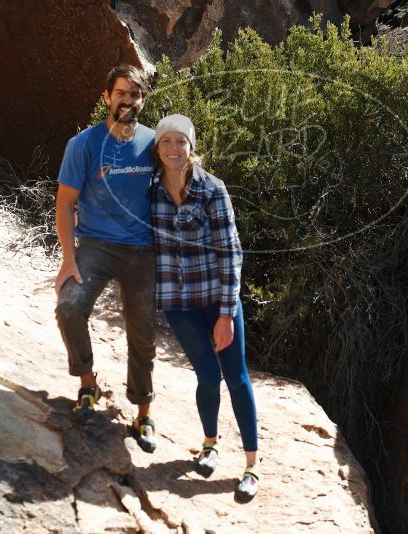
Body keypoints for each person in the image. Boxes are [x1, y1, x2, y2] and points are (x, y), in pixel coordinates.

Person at [151, 114, 260, 502]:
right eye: (167, 142)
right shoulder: (151, 192)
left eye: (181, 142)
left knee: (236, 376)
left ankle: (251, 467)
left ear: (191, 147)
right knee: (206, 376)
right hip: (179, 303)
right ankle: (210, 445)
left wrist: (227, 313)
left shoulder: (213, 189)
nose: (174, 149)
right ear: (158, 148)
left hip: (217, 299)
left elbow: (232, 252)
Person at [54, 64, 158, 453]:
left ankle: (143, 412)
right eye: (121, 93)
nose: (128, 101)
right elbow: (65, 204)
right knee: (69, 307)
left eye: (135, 94)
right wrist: (69, 260)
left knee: (143, 333)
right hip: (96, 245)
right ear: (107, 97)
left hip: (143, 250)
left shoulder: (154, 144)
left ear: (142, 101)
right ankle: (87, 384)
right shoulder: (83, 144)